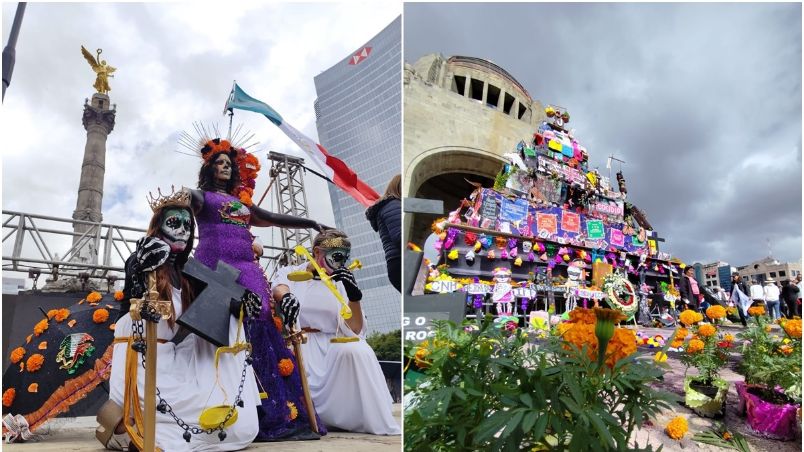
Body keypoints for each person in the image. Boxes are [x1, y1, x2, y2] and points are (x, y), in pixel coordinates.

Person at [186, 138, 327, 441]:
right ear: (208, 168)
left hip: (248, 268)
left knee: (261, 318)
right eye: (219, 163)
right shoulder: (199, 197)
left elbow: (273, 218)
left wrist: (311, 221)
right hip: (216, 266)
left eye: (229, 163)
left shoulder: (244, 204)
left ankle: (273, 410)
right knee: (226, 329)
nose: (225, 167)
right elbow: (175, 214)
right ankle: (229, 404)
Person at [99, 193, 261, 451]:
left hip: (175, 356)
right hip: (141, 354)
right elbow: (133, 296)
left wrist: (244, 301)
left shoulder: (191, 269)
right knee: (159, 417)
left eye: (188, 225)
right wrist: (140, 275)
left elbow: (223, 293)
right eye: (174, 223)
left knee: (223, 414)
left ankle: (135, 430)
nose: (183, 230)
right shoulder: (142, 258)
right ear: (158, 227)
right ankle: (126, 427)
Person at [271, 230, 401, 435]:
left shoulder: (342, 280)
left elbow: (356, 330)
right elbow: (279, 287)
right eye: (336, 257)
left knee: (359, 350)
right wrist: (286, 297)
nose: (340, 263)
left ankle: (361, 418)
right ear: (316, 252)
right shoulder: (292, 272)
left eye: (344, 258)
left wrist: (354, 295)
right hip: (302, 345)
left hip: (334, 347)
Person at [365, 174, 402, 292]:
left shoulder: (391, 205)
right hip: (400, 261)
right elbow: (400, 237)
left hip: (396, 264)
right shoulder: (394, 205)